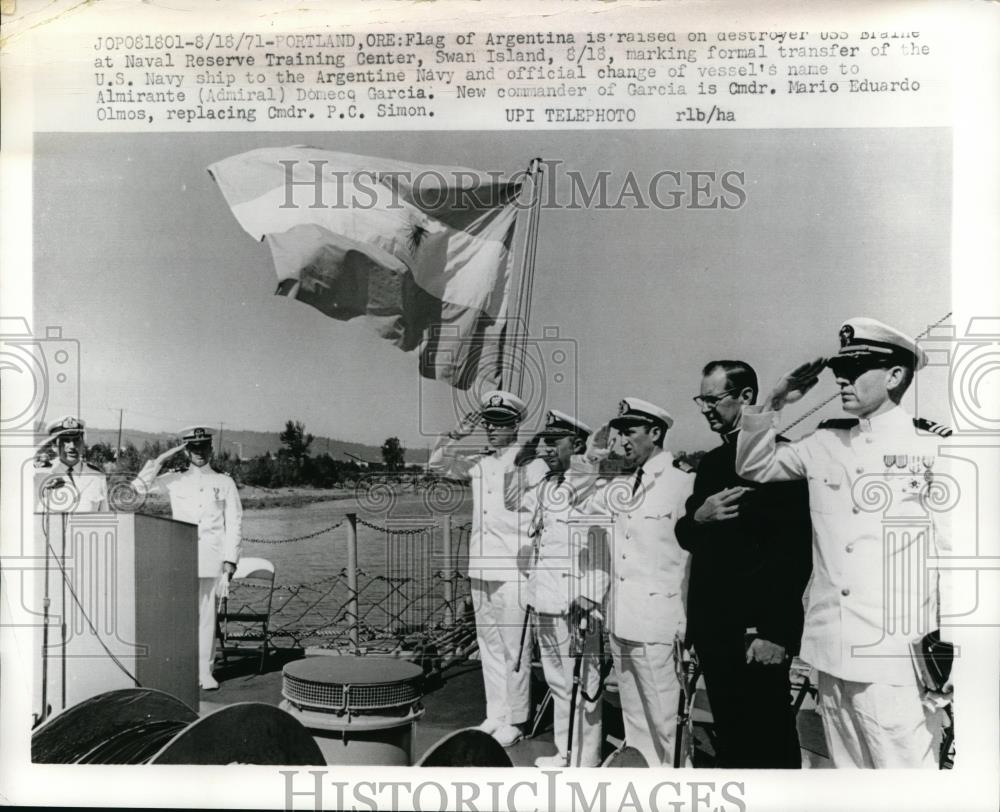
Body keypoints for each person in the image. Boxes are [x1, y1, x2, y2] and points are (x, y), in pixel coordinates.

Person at [735, 317, 953, 768]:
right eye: (840, 368)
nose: (841, 379)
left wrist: (953, 656)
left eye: (857, 370)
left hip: (896, 656)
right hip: (830, 649)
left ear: (894, 376)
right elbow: (754, 467)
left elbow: (952, 556)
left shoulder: (933, 450)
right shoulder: (824, 443)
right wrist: (774, 401)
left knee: (907, 780)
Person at [675, 361, 813, 768]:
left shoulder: (780, 459)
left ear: (746, 397)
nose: (705, 409)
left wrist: (775, 632)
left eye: (713, 399)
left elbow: (793, 552)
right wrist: (700, 518)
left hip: (756, 636)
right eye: (701, 399)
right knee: (733, 741)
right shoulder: (713, 463)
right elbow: (685, 534)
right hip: (715, 631)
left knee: (769, 743)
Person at [578, 397, 694, 767]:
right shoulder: (623, 485)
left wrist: (687, 626)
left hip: (661, 625)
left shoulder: (682, 483)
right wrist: (594, 457)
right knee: (635, 721)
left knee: (667, 725)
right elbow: (579, 507)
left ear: (655, 433)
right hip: (622, 620)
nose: (621, 440)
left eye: (630, 431)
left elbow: (693, 558)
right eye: (618, 432)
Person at [428, 391, 548, 747]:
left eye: (498, 422)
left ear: (515, 424)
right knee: (489, 645)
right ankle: (495, 714)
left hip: (513, 571)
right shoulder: (480, 464)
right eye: (487, 422)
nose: (490, 428)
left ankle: (517, 718)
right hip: (480, 568)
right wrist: (456, 434)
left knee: (515, 648)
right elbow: (435, 465)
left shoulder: (531, 464)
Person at [523, 410, 610, 767]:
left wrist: (590, 595)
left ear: (576, 445)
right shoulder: (547, 485)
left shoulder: (596, 486)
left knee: (585, 684)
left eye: (552, 442)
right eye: (542, 441)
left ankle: (585, 761)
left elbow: (603, 547)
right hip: (545, 598)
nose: (544, 449)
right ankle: (565, 751)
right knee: (558, 680)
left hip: (576, 603)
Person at [134, 426, 243, 690]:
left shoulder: (224, 482)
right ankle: (180, 670)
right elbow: (137, 489)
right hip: (179, 557)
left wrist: (229, 562)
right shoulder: (174, 479)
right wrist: (161, 459)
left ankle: (204, 672)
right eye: (193, 448)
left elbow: (235, 522)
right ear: (186, 451)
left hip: (211, 559)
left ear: (211, 448)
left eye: (204, 447)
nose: (199, 453)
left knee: (206, 619)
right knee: (178, 618)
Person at [36, 416, 108, 513]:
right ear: (54, 445)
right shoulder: (43, 476)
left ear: (83, 443)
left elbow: (104, 519)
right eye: (65, 441)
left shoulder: (97, 477)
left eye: (76, 440)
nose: (72, 446)